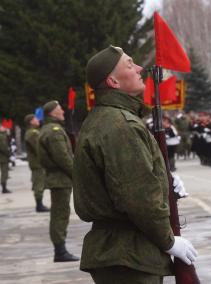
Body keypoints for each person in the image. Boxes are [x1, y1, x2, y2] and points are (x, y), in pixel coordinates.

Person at [73, 45, 197, 284]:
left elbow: (133, 181)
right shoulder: (121, 126)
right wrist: (169, 241)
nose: (140, 68)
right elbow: (138, 197)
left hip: (124, 253)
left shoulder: (109, 119)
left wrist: (165, 182)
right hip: (129, 256)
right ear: (113, 81)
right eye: (130, 64)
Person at [38, 101, 79, 262]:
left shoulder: (50, 129)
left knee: (60, 213)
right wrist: (77, 174)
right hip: (60, 179)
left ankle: (60, 250)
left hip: (59, 178)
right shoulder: (54, 131)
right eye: (59, 109)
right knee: (60, 214)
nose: (62, 110)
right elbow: (63, 158)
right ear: (52, 113)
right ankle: (60, 251)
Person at [24, 114, 49, 212]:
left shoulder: (33, 132)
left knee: (38, 182)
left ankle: (39, 204)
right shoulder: (32, 133)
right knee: (39, 183)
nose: (37, 120)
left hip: (37, 163)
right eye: (35, 119)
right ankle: (39, 205)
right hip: (37, 163)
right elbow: (38, 148)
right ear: (31, 121)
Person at [0, 125, 11, 193]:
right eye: (2, 127)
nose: (4, 128)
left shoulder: (4, 135)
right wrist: (8, 154)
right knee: (4, 172)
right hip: (3, 157)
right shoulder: (1, 136)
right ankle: (4, 188)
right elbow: (3, 147)